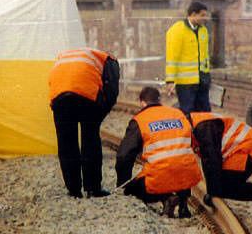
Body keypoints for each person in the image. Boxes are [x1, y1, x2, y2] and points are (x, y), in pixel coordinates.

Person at [115, 87, 202, 218]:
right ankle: (183, 205)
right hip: (187, 177)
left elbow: (124, 156)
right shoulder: (178, 114)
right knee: (179, 160)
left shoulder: (140, 119)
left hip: (159, 181)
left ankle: (166, 197)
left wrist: (122, 183)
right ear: (159, 100)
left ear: (142, 102)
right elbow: (189, 145)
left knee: (131, 190)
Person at [48, 48, 119, 198]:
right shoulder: (110, 60)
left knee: (66, 143)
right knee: (90, 139)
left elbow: (52, 80)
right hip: (86, 94)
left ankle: (73, 190)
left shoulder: (66, 56)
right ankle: (93, 188)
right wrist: (101, 113)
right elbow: (112, 92)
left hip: (59, 96)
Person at [189, 112, 252, 216]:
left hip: (247, 150)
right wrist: (211, 190)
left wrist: (213, 192)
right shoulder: (197, 124)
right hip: (243, 149)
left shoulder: (203, 128)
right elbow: (207, 158)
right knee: (221, 187)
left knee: (223, 188)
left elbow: (211, 159)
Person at [165, 1, 211, 114]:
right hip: (186, 83)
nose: (205, 18)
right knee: (188, 113)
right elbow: (172, 57)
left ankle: (201, 132)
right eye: (202, 15)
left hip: (202, 80)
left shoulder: (203, 30)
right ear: (193, 14)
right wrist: (170, 81)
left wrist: (207, 77)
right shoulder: (177, 30)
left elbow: (205, 56)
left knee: (204, 113)